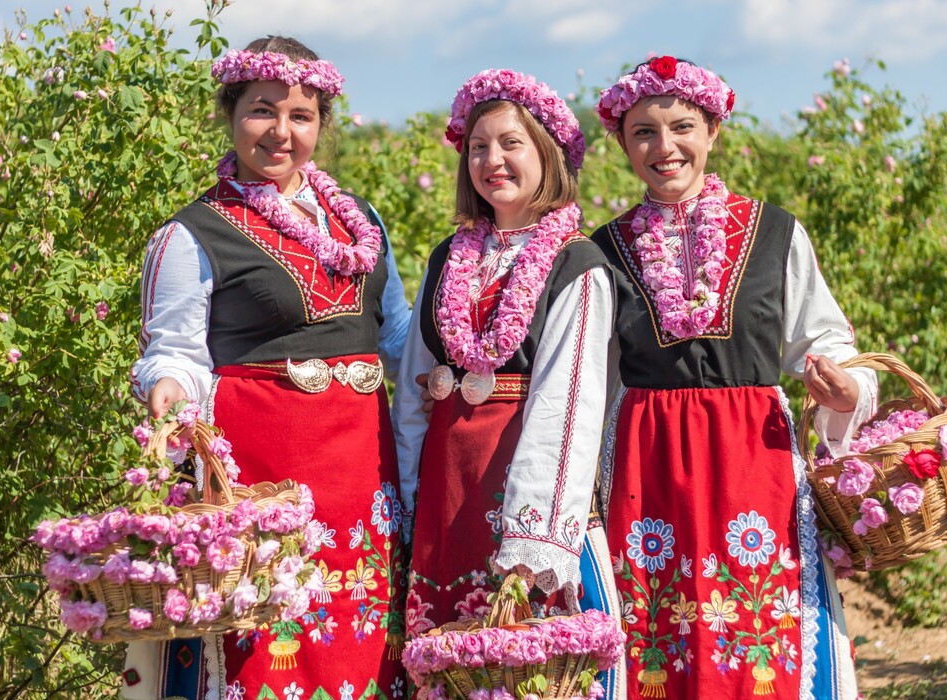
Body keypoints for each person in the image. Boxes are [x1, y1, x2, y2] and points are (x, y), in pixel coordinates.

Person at [123, 36, 410, 700]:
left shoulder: (362, 222)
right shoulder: (193, 233)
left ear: (320, 126)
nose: (281, 132)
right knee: (269, 648)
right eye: (262, 111)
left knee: (362, 639)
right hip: (264, 475)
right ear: (231, 115)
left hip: (365, 478)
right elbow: (174, 352)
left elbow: (396, 334)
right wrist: (167, 384)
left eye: (301, 116)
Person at [587, 56, 878, 700]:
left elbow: (827, 339)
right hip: (646, 466)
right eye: (644, 132)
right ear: (622, 143)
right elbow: (588, 381)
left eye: (683, 127)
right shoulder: (599, 252)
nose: (665, 148)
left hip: (755, 460)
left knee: (762, 625)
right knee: (656, 629)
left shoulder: (776, 232)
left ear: (713, 131)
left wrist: (846, 389)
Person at [392, 69, 616, 640]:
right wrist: (411, 496)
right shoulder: (449, 255)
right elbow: (416, 381)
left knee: (514, 655)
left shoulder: (577, 264)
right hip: (448, 485)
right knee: (445, 651)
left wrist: (533, 534)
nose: (492, 160)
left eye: (510, 143)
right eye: (478, 147)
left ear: (547, 153)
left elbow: (569, 403)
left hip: (517, 478)